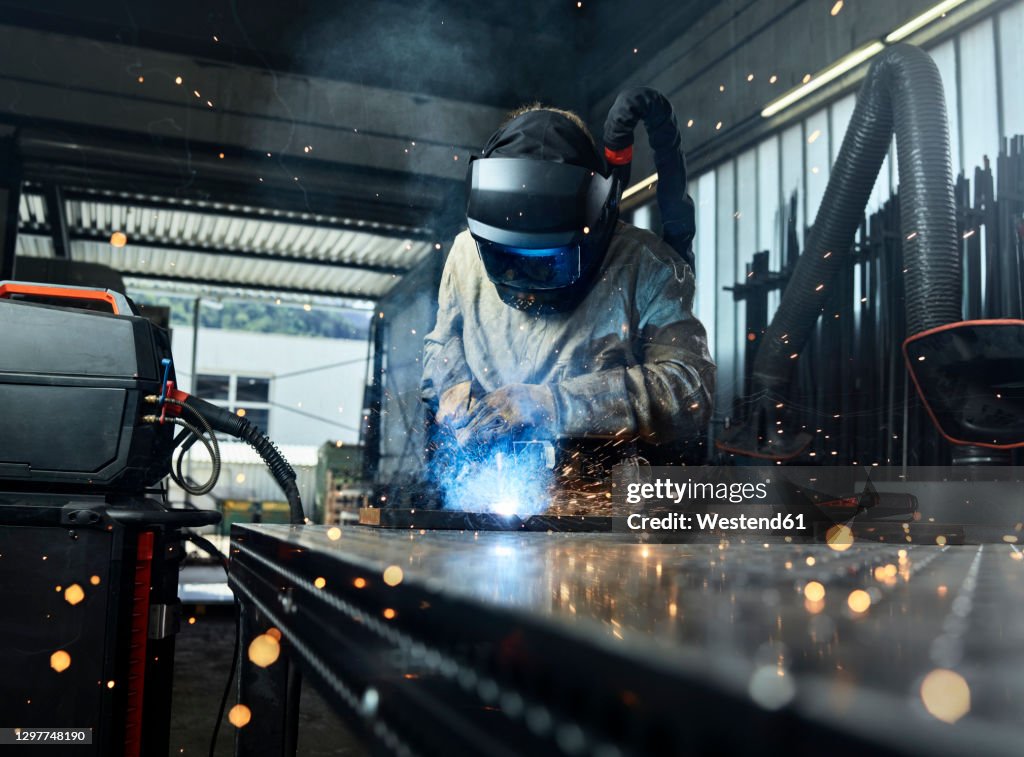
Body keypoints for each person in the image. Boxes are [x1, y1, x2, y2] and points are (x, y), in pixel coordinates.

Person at [421, 104, 714, 468]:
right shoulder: (466, 252)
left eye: (548, 262)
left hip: (600, 487)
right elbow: (442, 340)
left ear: (594, 224)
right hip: (485, 476)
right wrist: (451, 383)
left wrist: (552, 405)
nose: (526, 283)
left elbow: (689, 389)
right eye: (506, 260)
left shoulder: (647, 265)